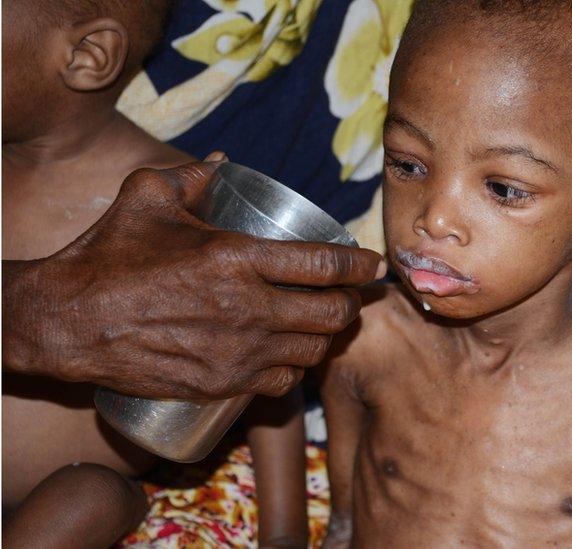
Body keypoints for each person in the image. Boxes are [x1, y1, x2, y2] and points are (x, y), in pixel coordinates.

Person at [319, 0, 572, 546]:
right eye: (408, 164)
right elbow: (343, 521)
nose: (434, 217)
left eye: (504, 189)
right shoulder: (364, 336)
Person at [0, 2, 355, 546]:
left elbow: (259, 354)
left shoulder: (180, 201)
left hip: (43, 504)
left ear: (89, 56)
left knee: (93, 495)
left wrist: (282, 530)